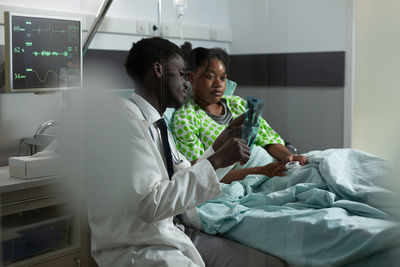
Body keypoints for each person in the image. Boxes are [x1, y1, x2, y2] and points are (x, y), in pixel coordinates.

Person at [87, 37, 285, 267]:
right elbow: (151, 204)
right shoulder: (124, 123)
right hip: (138, 247)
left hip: (171, 232)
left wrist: (221, 143)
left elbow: (185, 175)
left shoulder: (157, 124)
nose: (186, 84)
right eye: (181, 74)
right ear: (159, 70)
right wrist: (218, 159)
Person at [171, 44, 307, 183]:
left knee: (321, 165)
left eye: (223, 78)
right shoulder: (186, 119)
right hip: (251, 177)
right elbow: (198, 171)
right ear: (191, 77)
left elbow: (268, 139)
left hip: (276, 167)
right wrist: (261, 172)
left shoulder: (238, 104)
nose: (218, 84)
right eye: (210, 76)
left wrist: (290, 157)